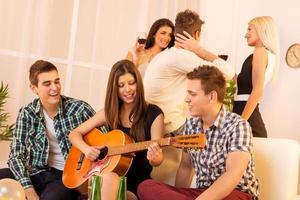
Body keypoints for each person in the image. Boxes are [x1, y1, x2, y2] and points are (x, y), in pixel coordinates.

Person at [138, 65, 259, 200]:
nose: (187, 99)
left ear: (212, 96)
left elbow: (232, 175)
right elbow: (186, 167)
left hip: (236, 194)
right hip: (200, 193)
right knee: (146, 187)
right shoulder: (191, 125)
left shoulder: (238, 126)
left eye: (193, 94)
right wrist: (178, 194)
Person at [69, 59, 164, 200]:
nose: (128, 89)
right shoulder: (110, 112)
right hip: (107, 177)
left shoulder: (154, 114)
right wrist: (87, 150)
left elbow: (158, 159)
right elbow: (74, 134)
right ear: (115, 88)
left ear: (138, 83)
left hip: (135, 186)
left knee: (109, 179)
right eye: (121, 85)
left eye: (132, 83)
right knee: (108, 178)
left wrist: (156, 158)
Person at [0, 60, 95, 200]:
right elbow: (16, 156)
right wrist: (29, 191)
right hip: (35, 172)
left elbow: (106, 140)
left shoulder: (80, 109)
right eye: (47, 83)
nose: (55, 88)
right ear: (34, 88)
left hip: (63, 178)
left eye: (57, 81)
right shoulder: (27, 113)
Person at [232, 16, 280, 138]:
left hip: (248, 121)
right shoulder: (265, 54)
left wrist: (240, 123)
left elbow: (257, 91)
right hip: (246, 117)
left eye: (249, 29)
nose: (245, 34)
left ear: (261, 30)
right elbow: (244, 85)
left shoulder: (260, 51)